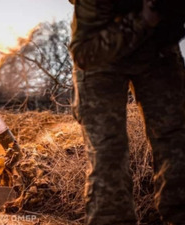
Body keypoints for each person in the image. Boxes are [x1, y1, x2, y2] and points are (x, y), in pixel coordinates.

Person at [69, 0, 185, 224]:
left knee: (176, 141)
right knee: (107, 149)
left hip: (157, 50)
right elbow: (84, 54)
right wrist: (142, 21)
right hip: (99, 47)